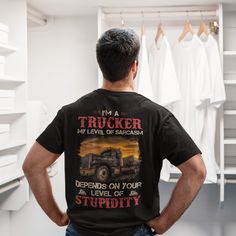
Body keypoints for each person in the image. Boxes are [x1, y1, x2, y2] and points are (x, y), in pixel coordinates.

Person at [22, 28, 207, 236]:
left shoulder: (71, 114)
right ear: (134, 66)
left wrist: (58, 217)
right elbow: (196, 171)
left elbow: (32, 166)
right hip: (135, 231)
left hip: (82, 231)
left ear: (101, 65)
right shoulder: (156, 116)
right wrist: (163, 223)